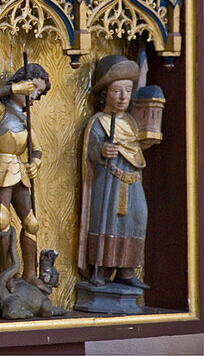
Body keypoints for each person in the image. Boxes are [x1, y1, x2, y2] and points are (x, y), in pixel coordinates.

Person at [78, 55, 151, 289]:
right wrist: (101, 150)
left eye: (127, 92)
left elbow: (136, 150)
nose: (122, 98)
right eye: (117, 91)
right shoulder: (98, 122)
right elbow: (89, 150)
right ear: (105, 94)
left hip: (133, 182)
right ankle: (102, 268)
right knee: (107, 222)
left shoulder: (130, 122)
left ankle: (126, 270)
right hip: (108, 179)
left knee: (137, 218)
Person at [0, 62, 51, 293]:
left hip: (20, 170)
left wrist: (36, 163)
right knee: (1, 218)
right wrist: (15, 88)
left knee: (31, 222)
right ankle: (6, 272)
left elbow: (37, 148)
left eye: (38, 93)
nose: (34, 97)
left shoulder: (25, 118)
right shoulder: (0, 111)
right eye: (34, 90)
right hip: (0, 166)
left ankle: (30, 273)